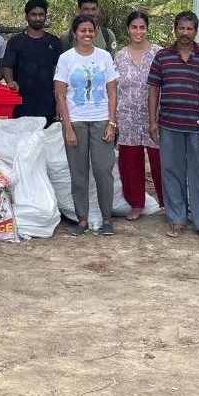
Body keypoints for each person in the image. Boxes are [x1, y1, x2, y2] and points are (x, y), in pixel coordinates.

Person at [147, 11, 199, 241]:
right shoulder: (162, 56)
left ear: (196, 31)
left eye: (189, 29)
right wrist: (153, 120)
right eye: (181, 28)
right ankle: (177, 219)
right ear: (175, 29)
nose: (185, 33)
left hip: (197, 126)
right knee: (171, 172)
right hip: (169, 124)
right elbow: (154, 89)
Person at [54, 16, 119, 236]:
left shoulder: (104, 57)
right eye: (83, 30)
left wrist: (111, 122)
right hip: (76, 121)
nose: (88, 34)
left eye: (91, 30)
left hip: (101, 121)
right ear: (75, 33)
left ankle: (107, 218)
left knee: (103, 170)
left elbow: (112, 91)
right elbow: (61, 95)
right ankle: (81, 219)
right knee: (78, 172)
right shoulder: (66, 58)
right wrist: (68, 127)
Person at [113, 10, 162, 219]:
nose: (138, 31)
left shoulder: (159, 53)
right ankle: (136, 204)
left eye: (142, 27)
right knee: (130, 161)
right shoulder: (120, 56)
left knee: (161, 160)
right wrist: (112, 118)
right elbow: (114, 88)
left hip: (155, 115)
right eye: (134, 27)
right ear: (128, 29)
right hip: (127, 115)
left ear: (147, 29)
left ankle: (168, 203)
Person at [3, 0, 63, 124]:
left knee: (46, 139)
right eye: (33, 15)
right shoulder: (15, 41)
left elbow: (59, 71)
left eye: (41, 15)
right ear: (26, 17)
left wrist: (59, 99)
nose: (37, 18)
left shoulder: (54, 42)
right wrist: (10, 81)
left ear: (45, 17)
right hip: (21, 100)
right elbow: (7, 66)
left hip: (47, 101)